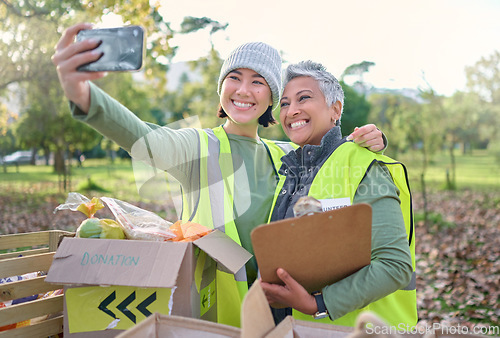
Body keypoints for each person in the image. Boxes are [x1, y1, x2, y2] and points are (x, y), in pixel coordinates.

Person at [52, 23, 386, 327]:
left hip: (285, 316)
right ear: (221, 88)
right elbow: (143, 138)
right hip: (212, 318)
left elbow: (339, 163)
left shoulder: (288, 154)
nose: (243, 90)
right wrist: (82, 94)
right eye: (234, 78)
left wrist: (370, 140)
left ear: (272, 97)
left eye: (258, 82)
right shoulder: (196, 147)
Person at [260, 60, 417, 327]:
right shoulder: (291, 170)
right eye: (284, 104)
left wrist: (318, 304)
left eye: (304, 98)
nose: (292, 110)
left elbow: (395, 266)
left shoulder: (361, 164)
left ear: (335, 109)